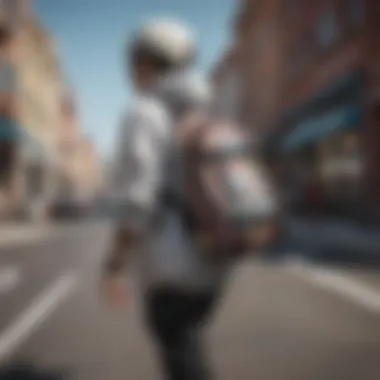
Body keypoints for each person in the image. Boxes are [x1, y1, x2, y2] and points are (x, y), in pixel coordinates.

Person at [102, 19, 229, 380]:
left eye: (133, 61)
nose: (129, 71)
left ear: (146, 62)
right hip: (216, 259)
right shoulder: (206, 107)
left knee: (182, 360)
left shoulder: (144, 111)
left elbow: (138, 197)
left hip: (171, 267)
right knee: (188, 346)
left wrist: (114, 264)